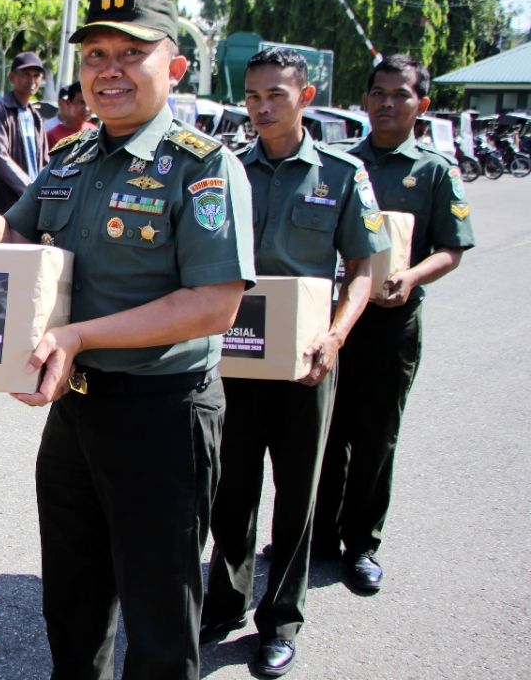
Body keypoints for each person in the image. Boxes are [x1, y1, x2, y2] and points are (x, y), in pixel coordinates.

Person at [0, 0, 255, 680]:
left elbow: (215, 304)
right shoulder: (71, 157)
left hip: (162, 412)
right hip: (76, 409)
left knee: (159, 618)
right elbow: (12, 239)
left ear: (177, 68)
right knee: (73, 602)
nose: (110, 69)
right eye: (97, 54)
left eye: (133, 53)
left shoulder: (202, 165)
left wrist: (78, 336)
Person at [201, 48, 388, 677]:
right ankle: (224, 600)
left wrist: (336, 337)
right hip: (235, 355)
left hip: (307, 360)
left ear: (305, 97)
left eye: (275, 94)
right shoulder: (225, 168)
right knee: (231, 489)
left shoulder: (340, 174)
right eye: (253, 95)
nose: (261, 107)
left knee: (297, 495)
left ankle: (280, 618)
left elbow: (363, 270)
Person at [313, 54, 476, 594]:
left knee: (376, 436)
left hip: (392, 322)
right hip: (337, 318)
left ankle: (361, 544)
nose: (387, 103)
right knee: (326, 433)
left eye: (399, 95)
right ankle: (318, 538)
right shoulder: (339, 164)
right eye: (378, 93)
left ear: (420, 105)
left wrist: (410, 276)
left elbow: (452, 248)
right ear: (365, 101)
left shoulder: (432, 170)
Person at [0, 51, 47, 213]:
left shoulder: (36, 116)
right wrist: (30, 190)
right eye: (25, 74)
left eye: (36, 75)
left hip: (32, 204)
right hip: (5, 205)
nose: (31, 80)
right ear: (12, 77)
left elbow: (45, 162)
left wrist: (44, 193)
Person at [45, 80, 96, 149]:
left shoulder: (95, 132)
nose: (87, 108)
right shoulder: (52, 135)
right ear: (68, 104)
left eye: (89, 102)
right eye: (81, 102)